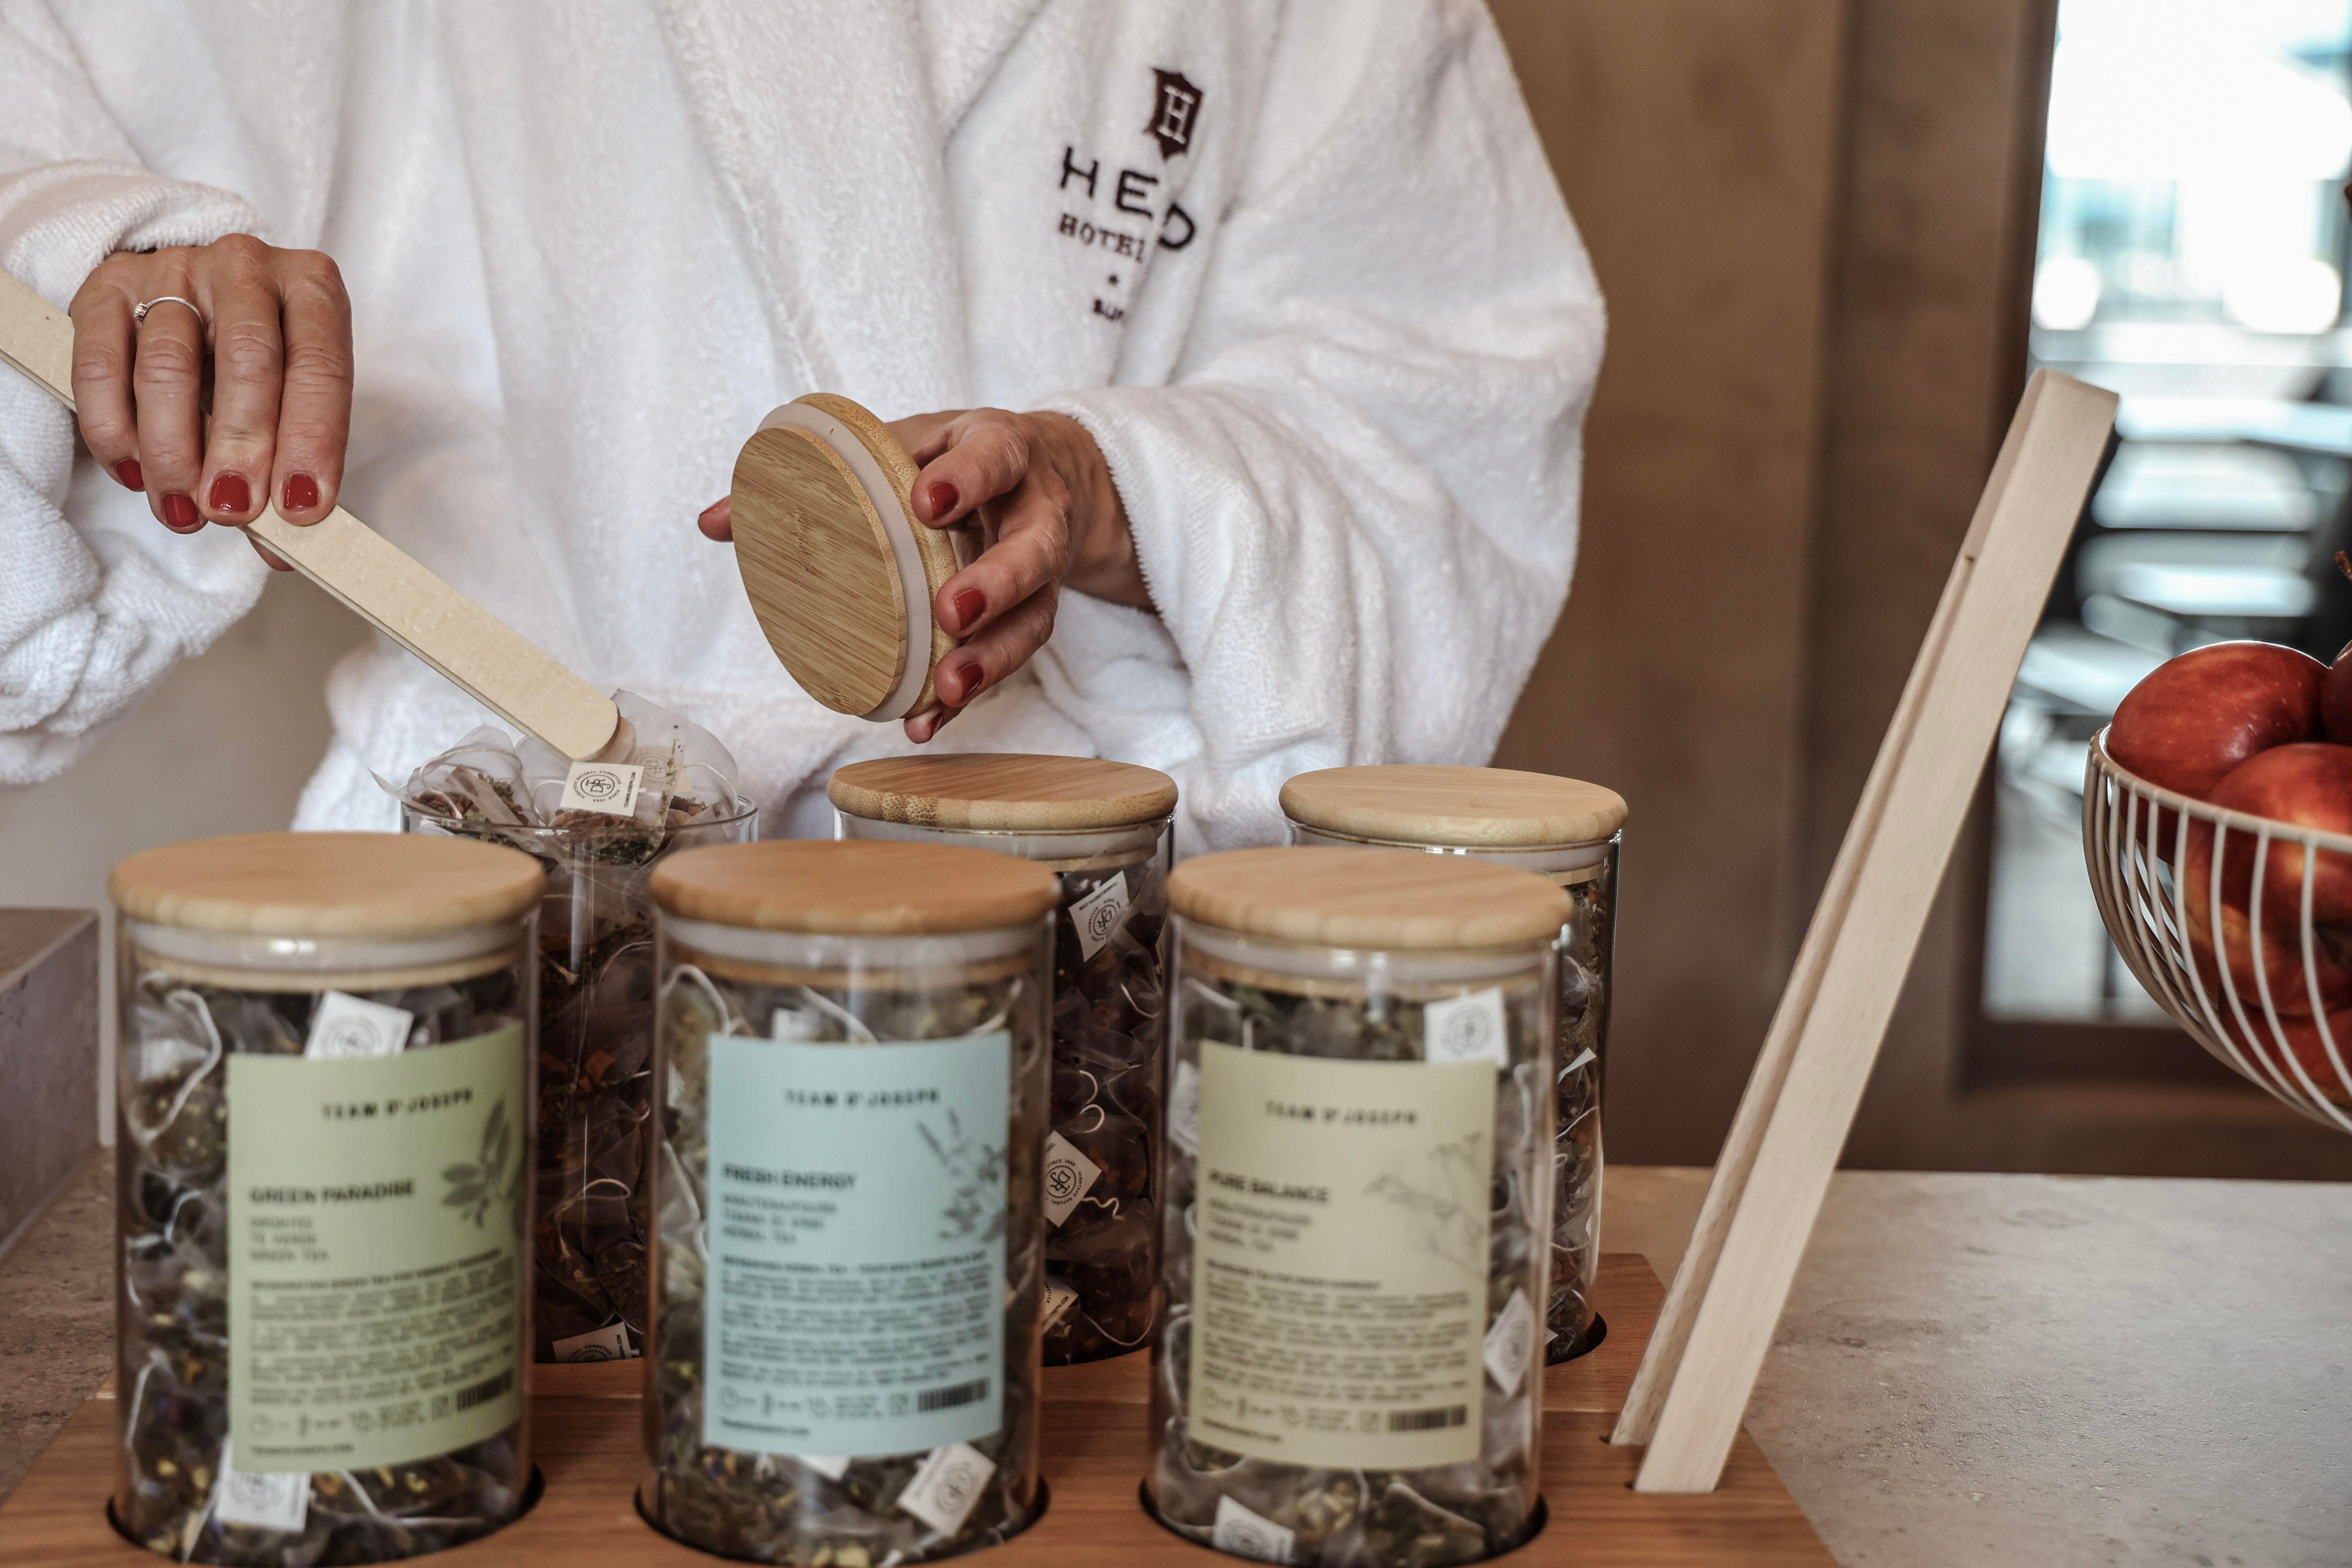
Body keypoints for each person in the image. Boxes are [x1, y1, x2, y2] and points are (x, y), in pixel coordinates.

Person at [0, 1, 1602, 848]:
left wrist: (1131, 499)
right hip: (505, 892)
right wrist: (122, 268)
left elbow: (1449, 386)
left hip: (1053, 953)